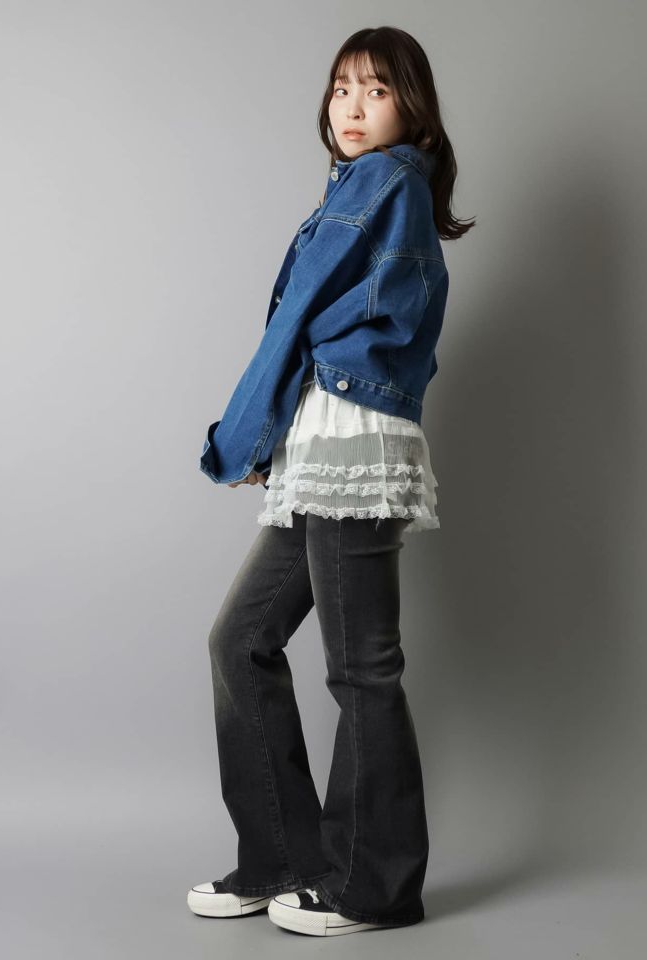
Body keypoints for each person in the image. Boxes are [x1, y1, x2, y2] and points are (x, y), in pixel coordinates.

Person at [188, 25, 474, 937]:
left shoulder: (380, 182)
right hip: (327, 442)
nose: (353, 107)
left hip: (351, 442)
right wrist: (277, 439)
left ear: (412, 108)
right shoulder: (375, 188)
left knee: (361, 668)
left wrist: (240, 438)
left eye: (376, 90)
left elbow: (297, 325)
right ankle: (285, 858)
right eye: (342, 87)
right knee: (242, 641)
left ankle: (373, 886)